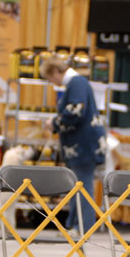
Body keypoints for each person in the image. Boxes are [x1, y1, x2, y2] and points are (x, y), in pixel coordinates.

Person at [41, 56, 106, 233]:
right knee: (77, 186)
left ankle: (83, 228)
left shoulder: (76, 83)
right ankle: (75, 225)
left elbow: (76, 111)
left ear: (55, 71)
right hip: (81, 146)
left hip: (83, 146)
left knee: (82, 187)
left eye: (50, 78)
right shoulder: (77, 83)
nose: (52, 82)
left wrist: (55, 122)